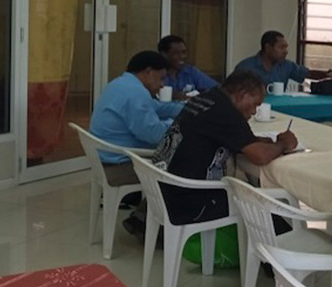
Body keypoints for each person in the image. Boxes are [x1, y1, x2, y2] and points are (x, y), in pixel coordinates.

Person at [151, 69, 298, 226]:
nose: (254, 111)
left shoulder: (206, 98)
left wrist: (258, 141)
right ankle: (275, 248)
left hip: (163, 192)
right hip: (190, 202)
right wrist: (282, 144)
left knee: (251, 195)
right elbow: (260, 157)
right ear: (242, 94)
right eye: (255, 104)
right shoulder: (227, 113)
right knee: (265, 211)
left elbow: (222, 135)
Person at [89, 50, 183, 189]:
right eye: (161, 78)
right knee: (183, 159)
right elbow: (155, 135)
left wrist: (186, 108)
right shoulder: (136, 93)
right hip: (120, 166)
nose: (162, 85)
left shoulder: (121, 84)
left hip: (107, 160)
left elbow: (156, 106)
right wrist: (180, 122)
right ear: (148, 72)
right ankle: (150, 209)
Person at [235, 30, 332, 88]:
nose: (286, 51)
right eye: (281, 47)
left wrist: (329, 74)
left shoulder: (286, 65)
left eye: (286, 47)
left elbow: (308, 73)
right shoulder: (245, 67)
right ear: (268, 48)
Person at [158, 34, 217, 99]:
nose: (182, 56)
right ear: (164, 54)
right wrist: (173, 95)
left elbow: (216, 89)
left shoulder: (191, 71)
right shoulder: (157, 73)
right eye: (176, 53)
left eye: (184, 52)